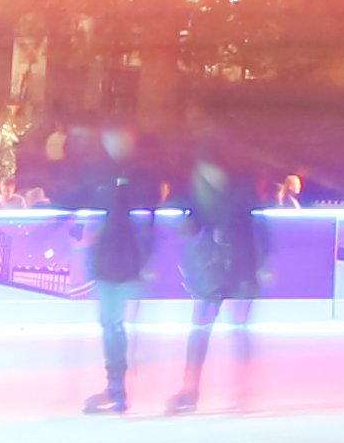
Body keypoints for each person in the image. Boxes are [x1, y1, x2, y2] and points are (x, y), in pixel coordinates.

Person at [168, 144, 260, 414]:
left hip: (237, 266)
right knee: (203, 329)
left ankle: (236, 392)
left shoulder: (239, 188)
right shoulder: (200, 187)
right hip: (215, 269)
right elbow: (196, 220)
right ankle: (192, 389)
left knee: (229, 329)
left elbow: (250, 225)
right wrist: (189, 224)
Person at [68, 126, 154, 412]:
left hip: (122, 261)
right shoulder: (104, 174)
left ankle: (117, 384)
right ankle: (115, 383)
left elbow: (142, 218)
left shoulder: (132, 176)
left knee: (114, 324)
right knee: (111, 324)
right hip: (111, 261)